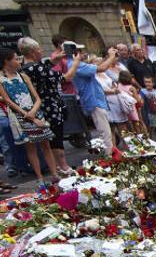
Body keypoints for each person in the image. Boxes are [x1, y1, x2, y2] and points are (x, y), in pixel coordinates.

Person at [0, 47, 60, 185]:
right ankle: (39, 178)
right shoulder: (1, 80)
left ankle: (54, 173)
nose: (18, 61)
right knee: (30, 147)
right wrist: (27, 115)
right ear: (6, 61)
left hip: (33, 111)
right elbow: (8, 100)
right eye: (15, 59)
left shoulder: (23, 76)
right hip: (19, 115)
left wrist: (34, 111)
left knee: (46, 143)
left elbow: (36, 97)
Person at [18, 37, 74, 175]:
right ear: (32, 52)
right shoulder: (38, 68)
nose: (41, 51)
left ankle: (57, 167)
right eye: (38, 49)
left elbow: (44, 66)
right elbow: (65, 78)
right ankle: (63, 166)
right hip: (50, 106)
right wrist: (76, 62)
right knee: (56, 138)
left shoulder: (24, 68)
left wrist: (55, 60)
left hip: (40, 108)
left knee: (48, 140)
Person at [66, 42, 117, 155]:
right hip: (93, 100)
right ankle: (110, 158)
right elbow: (102, 67)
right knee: (105, 133)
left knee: (105, 131)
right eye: (80, 51)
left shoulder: (75, 64)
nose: (83, 54)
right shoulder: (77, 65)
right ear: (75, 53)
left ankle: (109, 155)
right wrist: (111, 56)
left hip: (94, 99)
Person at [95, 55, 128, 146]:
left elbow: (113, 82)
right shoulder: (93, 76)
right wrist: (112, 91)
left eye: (100, 61)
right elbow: (98, 89)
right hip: (106, 100)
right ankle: (114, 152)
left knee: (122, 126)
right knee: (111, 128)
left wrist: (115, 87)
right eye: (97, 61)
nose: (100, 63)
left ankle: (128, 147)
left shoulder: (105, 73)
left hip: (115, 100)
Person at [117, 70, 147, 136]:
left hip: (124, 107)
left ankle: (133, 136)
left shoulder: (119, 86)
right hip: (133, 108)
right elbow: (137, 100)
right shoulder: (131, 88)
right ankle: (142, 136)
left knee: (129, 124)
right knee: (139, 122)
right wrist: (140, 98)